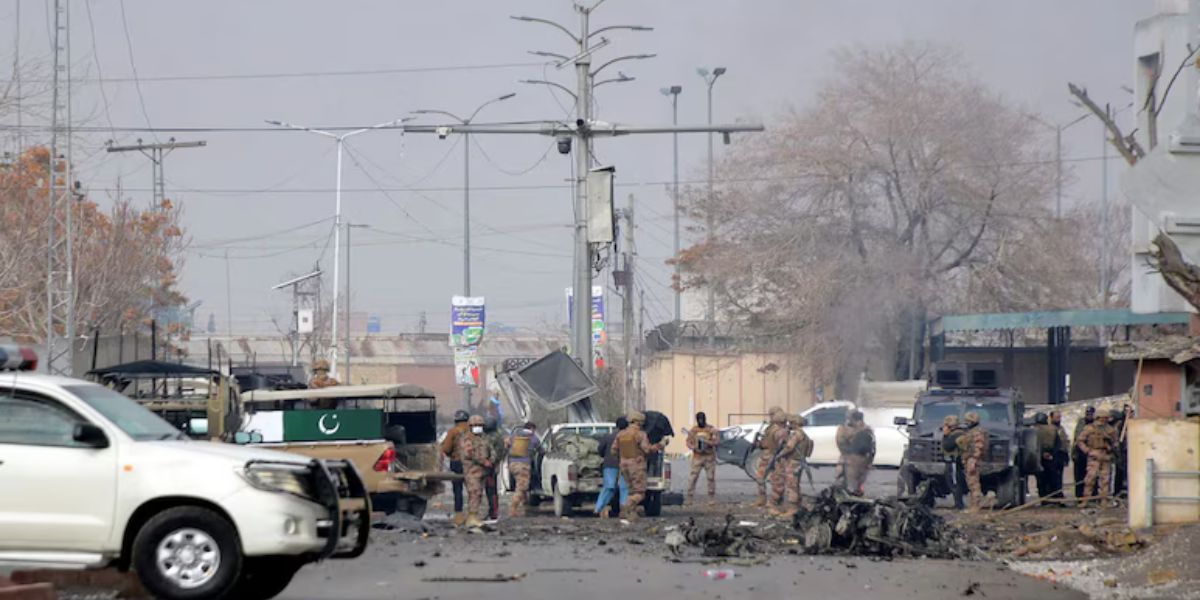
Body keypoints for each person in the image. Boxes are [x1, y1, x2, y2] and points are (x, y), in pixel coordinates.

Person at [610, 411, 667, 520]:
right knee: (640, 493)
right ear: (639, 422)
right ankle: (627, 506)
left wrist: (622, 459)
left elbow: (613, 451)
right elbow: (647, 449)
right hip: (637, 466)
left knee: (631, 490)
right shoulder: (640, 434)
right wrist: (660, 445)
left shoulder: (620, 434)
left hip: (624, 466)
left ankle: (630, 514)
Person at [455, 414, 494, 527]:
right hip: (472, 471)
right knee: (474, 493)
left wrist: (491, 460)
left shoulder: (483, 438)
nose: (478, 427)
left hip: (482, 471)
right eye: (475, 425)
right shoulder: (466, 438)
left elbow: (490, 450)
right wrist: (483, 461)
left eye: (480, 425)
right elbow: (469, 453)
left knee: (479, 494)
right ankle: (471, 517)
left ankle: (474, 515)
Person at [1077, 411, 1118, 506]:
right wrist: (1087, 450)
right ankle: (1086, 499)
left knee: (1105, 479)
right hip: (1094, 454)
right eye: (1102, 418)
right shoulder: (1089, 428)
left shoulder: (1110, 430)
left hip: (1106, 455)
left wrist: (1111, 448)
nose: (1104, 420)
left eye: (1106, 418)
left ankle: (1104, 500)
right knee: (1090, 479)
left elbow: (1115, 442)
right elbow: (1080, 441)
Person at [594, 417, 629, 518]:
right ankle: (624, 510)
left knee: (609, 487)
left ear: (616, 425)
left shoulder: (608, 436)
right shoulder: (630, 437)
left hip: (610, 464)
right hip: (625, 465)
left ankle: (598, 508)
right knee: (624, 487)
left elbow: (600, 449)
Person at [778, 414, 812, 517]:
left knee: (791, 486)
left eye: (791, 423)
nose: (789, 425)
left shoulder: (797, 434)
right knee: (795, 485)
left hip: (793, 462)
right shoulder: (802, 434)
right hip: (798, 462)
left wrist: (780, 455)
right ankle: (798, 506)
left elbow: (789, 447)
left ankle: (792, 509)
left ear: (795, 423)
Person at [440, 410, 470, 524]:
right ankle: (473, 514)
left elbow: (446, 448)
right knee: (472, 489)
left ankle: (459, 516)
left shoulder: (452, 432)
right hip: (470, 463)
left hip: (456, 463)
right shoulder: (471, 432)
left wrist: (451, 455)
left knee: (458, 490)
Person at [506, 421, 541, 517]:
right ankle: (513, 509)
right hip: (523, 465)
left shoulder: (515, 436)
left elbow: (507, 445)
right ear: (532, 429)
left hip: (512, 464)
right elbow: (541, 450)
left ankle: (525, 506)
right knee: (522, 488)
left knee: (521, 485)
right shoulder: (533, 438)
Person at [835, 410, 874, 495]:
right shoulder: (866, 429)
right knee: (846, 480)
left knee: (853, 481)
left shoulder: (846, 429)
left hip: (855, 459)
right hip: (854, 458)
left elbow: (840, 442)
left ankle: (853, 497)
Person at [753, 407, 785, 508]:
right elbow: (765, 440)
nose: (770, 417)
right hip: (765, 455)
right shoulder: (769, 428)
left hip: (775, 456)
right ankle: (761, 499)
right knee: (760, 477)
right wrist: (758, 443)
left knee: (777, 480)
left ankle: (776, 501)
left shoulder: (780, 430)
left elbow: (781, 445)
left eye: (772, 414)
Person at [686, 411, 719, 504]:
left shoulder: (711, 429)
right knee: (693, 477)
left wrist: (708, 443)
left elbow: (717, 441)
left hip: (709, 457)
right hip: (698, 457)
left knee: (710, 478)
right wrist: (693, 447)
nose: (701, 421)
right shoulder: (694, 430)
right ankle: (689, 498)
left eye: (702, 419)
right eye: (699, 419)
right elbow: (688, 442)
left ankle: (711, 498)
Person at [957, 411, 987, 512]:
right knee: (971, 482)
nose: (966, 423)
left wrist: (974, 459)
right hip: (969, 458)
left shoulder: (977, 432)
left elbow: (979, 446)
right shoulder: (972, 431)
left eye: (968, 421)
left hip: (972, 459)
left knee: (974, 483)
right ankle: (973, 505)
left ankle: (975, 506)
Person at [483, 417, 507, 520]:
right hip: (493, 466)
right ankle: (492, 511)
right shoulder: (498, 436)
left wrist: (491, 462)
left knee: (491, 490)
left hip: (491, 467)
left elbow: (496, 452)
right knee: (491, 490)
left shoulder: (492, 437)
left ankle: (493, 512)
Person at [940, 415, 966, 509]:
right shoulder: (957, 433)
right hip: (952, 462)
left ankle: (959, 504)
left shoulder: (957, 434)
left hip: (954, 462)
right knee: (953, 482)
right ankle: (958, 503)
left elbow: (947, 446)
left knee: (955, 483)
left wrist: (945, 435)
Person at [1072, 406, 1095, 499]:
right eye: (1087, 414)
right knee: (1079, 476)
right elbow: (1078, 438)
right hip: (1080, 454)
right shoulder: (1081, 423)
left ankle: (1093, 496)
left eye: (1090, 414)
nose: (1089, 416)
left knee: (1093, 477)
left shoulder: (1096, 424)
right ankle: (1080, 496)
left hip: (1093, 454)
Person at [1033, 412, 1056, 500]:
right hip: (1050, 457)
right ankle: (1051, 498)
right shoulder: (1052, 429)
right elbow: (1058, 444)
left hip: (1038, 457)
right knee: (1051, 479)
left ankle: (1043, 498)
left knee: (1041, 480)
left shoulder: (1033, 430)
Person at [1049, 410, 1071, 500]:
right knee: (1052, 477)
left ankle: (1058, 494)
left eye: (1060, 417)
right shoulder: (1049, 428)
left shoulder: (1061, 428)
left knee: (1059, 477)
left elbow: (1065, 442)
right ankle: (1053, 495)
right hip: (1052, 455)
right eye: (1057, 417)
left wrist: (1066, 456)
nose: (1059, 419)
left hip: (1060, 455)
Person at [1111, 407, 1131, 497]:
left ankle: (1124, 489)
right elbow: (1117, 440)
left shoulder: (1131, 423)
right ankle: (1117, 491)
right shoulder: (1119, 425)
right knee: (1119, 471)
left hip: (1128, 451)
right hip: (1120, 451)